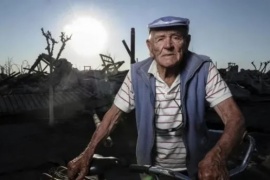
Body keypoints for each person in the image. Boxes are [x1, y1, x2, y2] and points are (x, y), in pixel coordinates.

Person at [67, 16, 246, 180]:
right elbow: (111, 117)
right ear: (150, 47)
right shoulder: (137, 73)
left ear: (187, 42)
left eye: (176, 37)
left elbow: (234, 118)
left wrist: (217, 156)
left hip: (195, 168)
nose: (168, 45)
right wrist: (87, 153)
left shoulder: (204, 69)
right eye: (160, 39)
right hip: (149, 168)